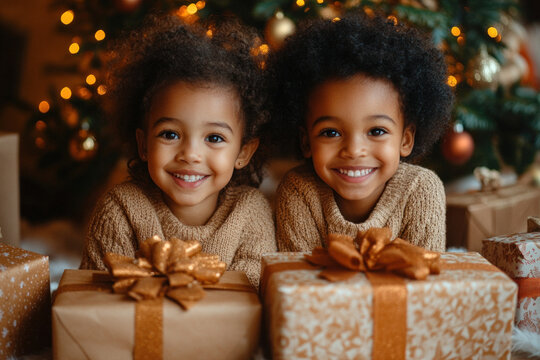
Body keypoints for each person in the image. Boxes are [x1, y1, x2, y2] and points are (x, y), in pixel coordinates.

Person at [80, 14, 276, 288]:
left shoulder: (250, 213)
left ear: (244, 152)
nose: (190, 154)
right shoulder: (120, 209)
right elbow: (94, 302)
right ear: (144, 145)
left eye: (215, 137)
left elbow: (250, 302)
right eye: (170, 134)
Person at [267, 12, 454, 253]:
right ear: (306, 142)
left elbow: (424, 282)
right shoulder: (299, 192)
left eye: (376, 131)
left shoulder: (421, 190)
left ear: (406, 139)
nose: (354, 150)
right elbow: (297, 281)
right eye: (331, 133)